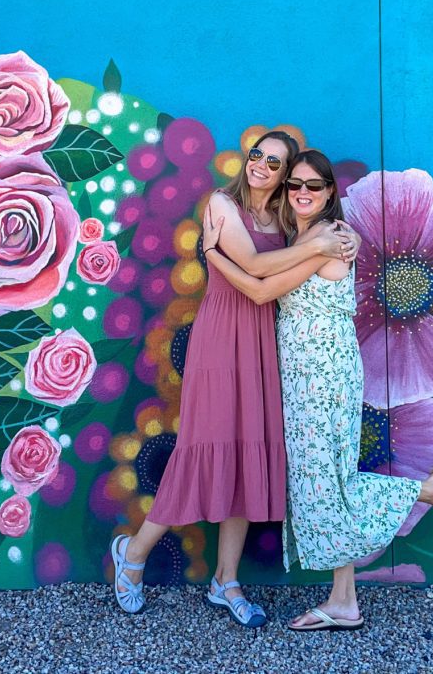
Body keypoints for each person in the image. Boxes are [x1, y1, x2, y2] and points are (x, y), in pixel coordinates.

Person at [201, 149, 433, 632]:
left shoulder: (330, 239)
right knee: (324, 482)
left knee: (329, 483)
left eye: (313, 186)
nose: (302, 193)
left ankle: (429, 489)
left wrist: (211, 256)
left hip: (321, 377)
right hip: (306, 374)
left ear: (329, 194)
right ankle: (344, 599)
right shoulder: (308, 238)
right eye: (295, 185)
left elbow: (261, 288)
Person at [110, 132, 361, 627]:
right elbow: (253, 267)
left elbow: (296, 262)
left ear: (288, 176)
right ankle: (133, 554)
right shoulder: (222, 205)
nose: (262, 166)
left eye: (275, 162)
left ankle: (226, 581)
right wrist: (316, 244)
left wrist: (338, 237)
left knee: (248, 455)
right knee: (202, 449)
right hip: (223, 337)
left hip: (264, 342)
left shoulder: (286, 218)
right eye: (257, 156)